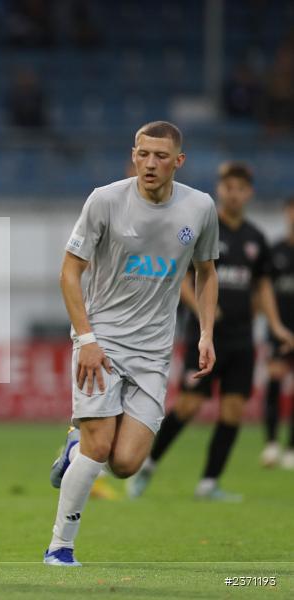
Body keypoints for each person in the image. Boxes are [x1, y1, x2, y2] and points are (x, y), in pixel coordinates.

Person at [44, 121, 219, 567]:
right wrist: (85, 338)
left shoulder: (199, 208)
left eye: (161, 156)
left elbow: (206, 271)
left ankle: (74, 445)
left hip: (154, 353)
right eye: (143, 154)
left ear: (178, 162)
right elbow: (69, 271)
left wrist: (205, 332)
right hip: (100, 340)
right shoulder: (105, 200)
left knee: (125, 464)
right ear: (134, 154)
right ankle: (60, 546)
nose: (150, 163)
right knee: (99, 447)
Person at [127, 162, 294, 501]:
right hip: (206, 335)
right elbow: (181, 275)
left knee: (233, 410)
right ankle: (149, 464)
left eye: (240, 189)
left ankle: (209, 482)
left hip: (242, 338)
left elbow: (262, 286)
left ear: (249, 193)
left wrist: (276, 326)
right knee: (189, 405)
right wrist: (201, 309)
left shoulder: (255, 238)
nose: (234, 194)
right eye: (228, 188)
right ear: (220, 189)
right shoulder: (199, 227)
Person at [261, 195, 294, 470]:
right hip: (278, 330)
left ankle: (292, 448)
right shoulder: (275, 251)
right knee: (274, 383)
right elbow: (263, 291)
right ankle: (271, 444)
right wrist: (274, 327)